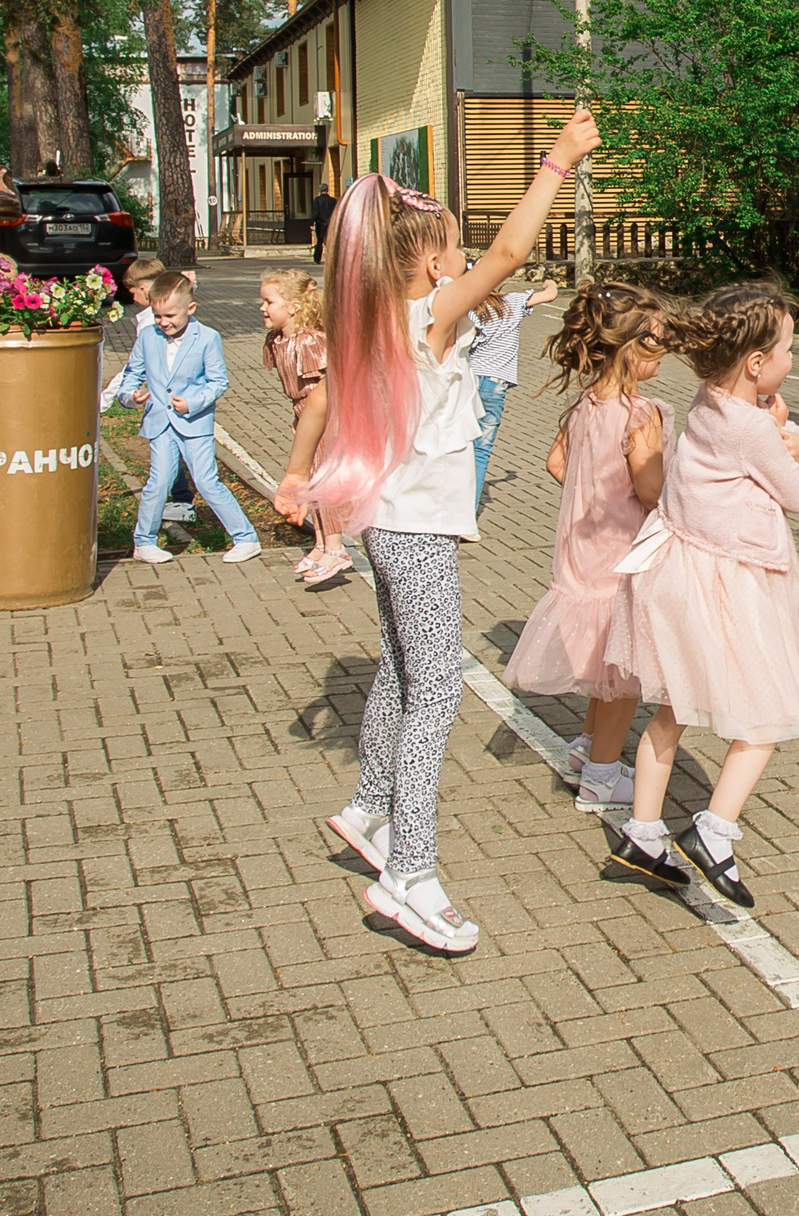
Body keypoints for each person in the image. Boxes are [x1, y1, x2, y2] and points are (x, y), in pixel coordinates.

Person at [279, 109, 603, 956]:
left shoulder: (369, 318)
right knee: (438, 693)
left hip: (388, 527)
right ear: (427, 261)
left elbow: (489, 265)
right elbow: (506, 256)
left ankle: (367, 807)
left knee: (399, 666)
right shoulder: (423, 318)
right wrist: (556, 163)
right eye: (451, 249)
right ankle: (409, 873)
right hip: (413, 534)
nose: (463, 260)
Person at [598, 284, 799, 908]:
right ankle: (715, 831)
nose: (793, 360)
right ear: (756, 363)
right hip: (734, 583)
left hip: (680, 576)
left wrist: (777, 427)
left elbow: (757, 439)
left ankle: (642, 835)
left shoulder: (706, 402)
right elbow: (798, 492)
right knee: (768, 713)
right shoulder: (752, 427)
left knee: (673, 709)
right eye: (788, 349)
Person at [508, 282, 673, 811]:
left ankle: (585, 747)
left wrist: (591, 494)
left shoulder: (585, 403)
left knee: (604, 662)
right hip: (621, 556)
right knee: (623, 674)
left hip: (581, 552)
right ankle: (602, 776)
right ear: (633, 347)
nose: (666, 354)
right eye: (660, 343)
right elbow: (650, 490)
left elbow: (557, 464)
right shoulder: (640, 414)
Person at [114, 274, 261, 564]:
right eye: (157, 315)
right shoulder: (148, 336)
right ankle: (144, 541)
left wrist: (192, 402)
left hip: (194, 423)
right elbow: (132, 374)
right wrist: (131, 396)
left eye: (170, 315)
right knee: (159, 482)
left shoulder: (207, 337)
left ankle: (245, 537)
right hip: (159, 422)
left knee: (207, 481)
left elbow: (218, 381)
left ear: (190, 309)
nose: (163, 322)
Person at [260, 269, 346, 585]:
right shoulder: (278, 339)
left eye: (269, 301)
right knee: (311, 480)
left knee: (324, 479)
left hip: (323, 418)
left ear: (294, 306)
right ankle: (322, 543)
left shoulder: (310, 342)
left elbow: (326, 389)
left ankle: (336, 547)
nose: (263, 307)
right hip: (303, 415)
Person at [106, 256, 197, 523]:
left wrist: (108, 397)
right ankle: (179, 499)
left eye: (133, 291)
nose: (132, 297)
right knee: (170, 449)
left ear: (145, 289)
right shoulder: (161, 313)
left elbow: (135, 365)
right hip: (170, 396)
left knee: (171, 451)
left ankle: (181, 501)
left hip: (169, 398)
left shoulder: (150, 321)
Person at [466, 270, 562, 505]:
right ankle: (468, 517)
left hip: (468, 381)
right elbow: (550, 295)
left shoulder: (468, 308)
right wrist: (549, 282)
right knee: (481, 450)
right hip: (494, 385)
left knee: (461, 447)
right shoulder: (513, 301)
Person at [311, 186, 338, 263]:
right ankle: (332, 258)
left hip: (320, 223)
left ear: (320, 190)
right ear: (327, 190)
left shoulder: (317, 200)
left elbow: (315, 212)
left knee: (320, 241)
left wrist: (312, 222)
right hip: (331, 223)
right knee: (330, 241)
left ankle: (317, 258)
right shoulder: (333, 200)